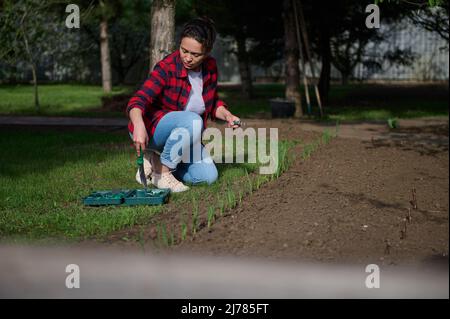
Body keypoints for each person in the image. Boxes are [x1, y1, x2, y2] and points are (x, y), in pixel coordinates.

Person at [126, 17, 240, 193]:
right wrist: (139, 125)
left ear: (207, 51)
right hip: (153, 131)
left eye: (195, 54)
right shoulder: (167, 68)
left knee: (207, 177)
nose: (187, 58)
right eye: (184, 50)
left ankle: (154, 162)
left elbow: (211, 102)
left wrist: (227, 115)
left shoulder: (210, 67)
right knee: (194, 120)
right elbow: (138, 100)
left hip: (184, 137)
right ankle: (162, 173)